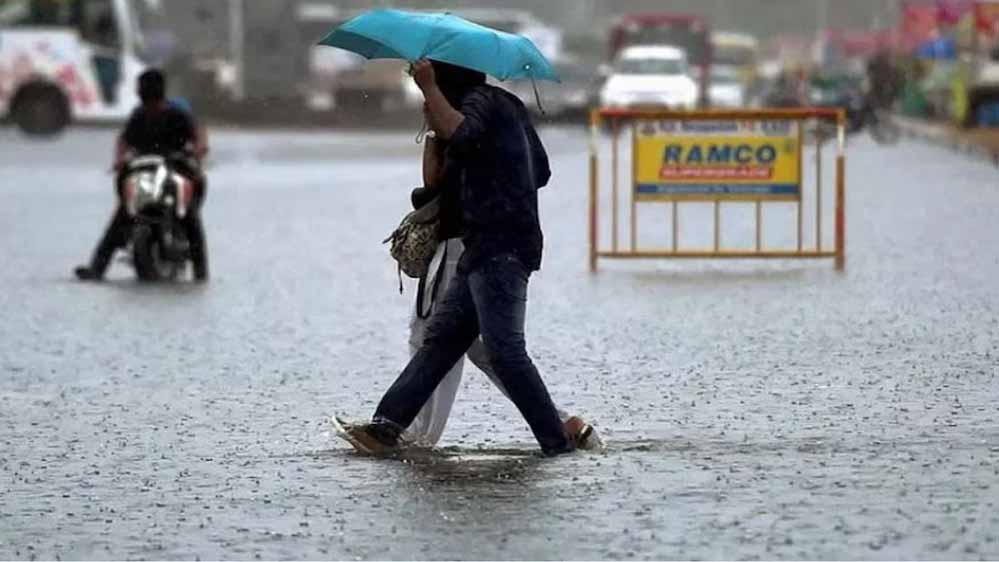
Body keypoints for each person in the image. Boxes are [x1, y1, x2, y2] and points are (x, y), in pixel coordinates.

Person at [341, 60, 581, 457]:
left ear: (447, 77)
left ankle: (558, 441)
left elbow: (473, 138)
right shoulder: (495, 110)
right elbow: (439, 181)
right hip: (480, 246)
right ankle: (384, 429)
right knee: (441, 342)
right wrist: (438, 126)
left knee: (504, 352)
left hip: (502, 246)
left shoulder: (484, 103)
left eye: (432, 77)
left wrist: (430, 89)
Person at [400, 126, 601, 450]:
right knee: (479, 346)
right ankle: (561, 423)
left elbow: (434, 182)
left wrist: (434, 132)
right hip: (482, 242)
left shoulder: (462, 120)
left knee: (433, 336)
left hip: (461, 244)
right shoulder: (498, 121)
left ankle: (414, 433)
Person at [74, 69, 209, 282]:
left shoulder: (177, 115)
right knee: (123, 214)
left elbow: (198, 134)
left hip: (174, 169)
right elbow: (124, 139)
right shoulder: (138, 115)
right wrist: (120, 160)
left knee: (189, 216)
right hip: (143, 170)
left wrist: (198, 151)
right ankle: (97, 269)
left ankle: (201, 273)